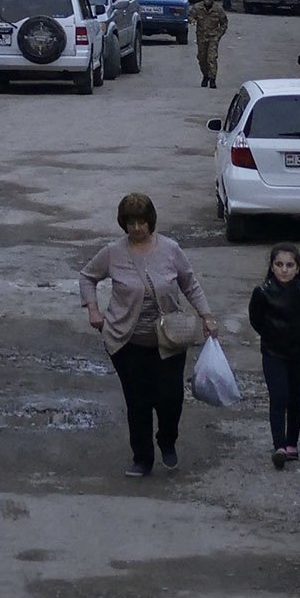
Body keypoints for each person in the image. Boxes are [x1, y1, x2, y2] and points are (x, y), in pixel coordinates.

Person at [79, 191, 217, 478]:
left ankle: (167, 440)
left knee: (171, 398)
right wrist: (93, 309)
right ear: (123, 224)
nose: (136, 228)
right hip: (126, 341)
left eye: (141, 222)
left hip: (170, 340)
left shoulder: (170, 249)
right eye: (130, 223)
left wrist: (206, 315)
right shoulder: (113, 252)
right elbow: (87, 276)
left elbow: (190, 284)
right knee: (138, 401)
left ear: (150, 221)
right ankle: (142, 458)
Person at [248, 242, 300, 469]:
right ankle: (279, 446)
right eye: (279, 264)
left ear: (298, 268)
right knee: (278, 396)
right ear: (272, 266)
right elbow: (255, 319)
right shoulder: (262, 292)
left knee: (296, 397)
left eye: (289, 265)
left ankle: (292, 443)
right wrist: (271, 335)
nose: (284, 270)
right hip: (273, 352)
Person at [191, 0, 229, 90]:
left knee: (211, 58)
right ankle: (206, 75)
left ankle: (212, 79)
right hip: (201, 37)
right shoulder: (197, 7)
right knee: (201, 58)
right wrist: (192, 20)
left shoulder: (218, 10)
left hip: (213, 37)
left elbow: (224, 23)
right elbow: (191, 16)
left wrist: (218, 34)